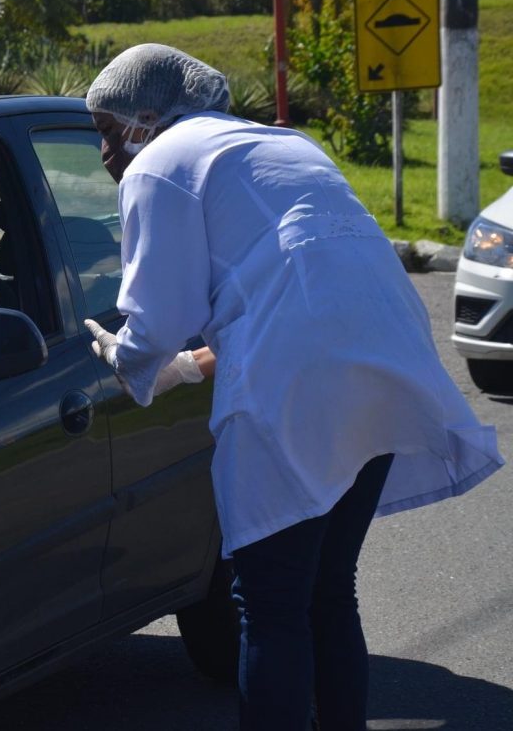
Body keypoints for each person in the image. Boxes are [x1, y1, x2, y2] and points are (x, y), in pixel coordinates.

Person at [81, 43, 504, 731]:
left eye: (106, 131)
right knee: (330, 593)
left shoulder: (159, 164)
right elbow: (290, 293)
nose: (104, 155)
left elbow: (157, 318)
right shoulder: (287, 148)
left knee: (271, 605)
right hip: (387, 365)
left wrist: (132, 361)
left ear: (145, 117)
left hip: (300, 390)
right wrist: (189, 367)